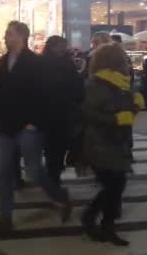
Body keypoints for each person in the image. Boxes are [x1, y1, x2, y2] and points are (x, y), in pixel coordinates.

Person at [0, 21, 72, 234]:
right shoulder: (3, 62)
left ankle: (59, 196)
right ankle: (5, 217)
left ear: (20, 36)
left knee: (34, 170)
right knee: (3, 172)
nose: (5, 37)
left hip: (28, 127)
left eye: (9, 34)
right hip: (7, 126)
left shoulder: (35, 62)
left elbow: (47, 96)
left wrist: (35, 122)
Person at [80, 43, 144, 246]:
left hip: (117, 142)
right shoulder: (98, 84)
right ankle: (92, 218)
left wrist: (134, 105)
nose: (127, 61)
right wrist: (116, 119)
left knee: (116, 185)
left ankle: (106, 226)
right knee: (114, 184)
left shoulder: (122, 83)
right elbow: (88, 114)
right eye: (124, 58)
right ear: (114, 61)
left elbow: (122, 111)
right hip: (100, 142)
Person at [41, 36, 85, 185]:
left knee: (53, 149)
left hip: (53, 113)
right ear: (53, 47)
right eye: (61, 46)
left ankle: (53, 175)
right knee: (56, 148)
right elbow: (77, 87)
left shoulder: (46, 62)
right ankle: (54, 176)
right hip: (60, 113)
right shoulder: (64, 63)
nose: (63, 49)